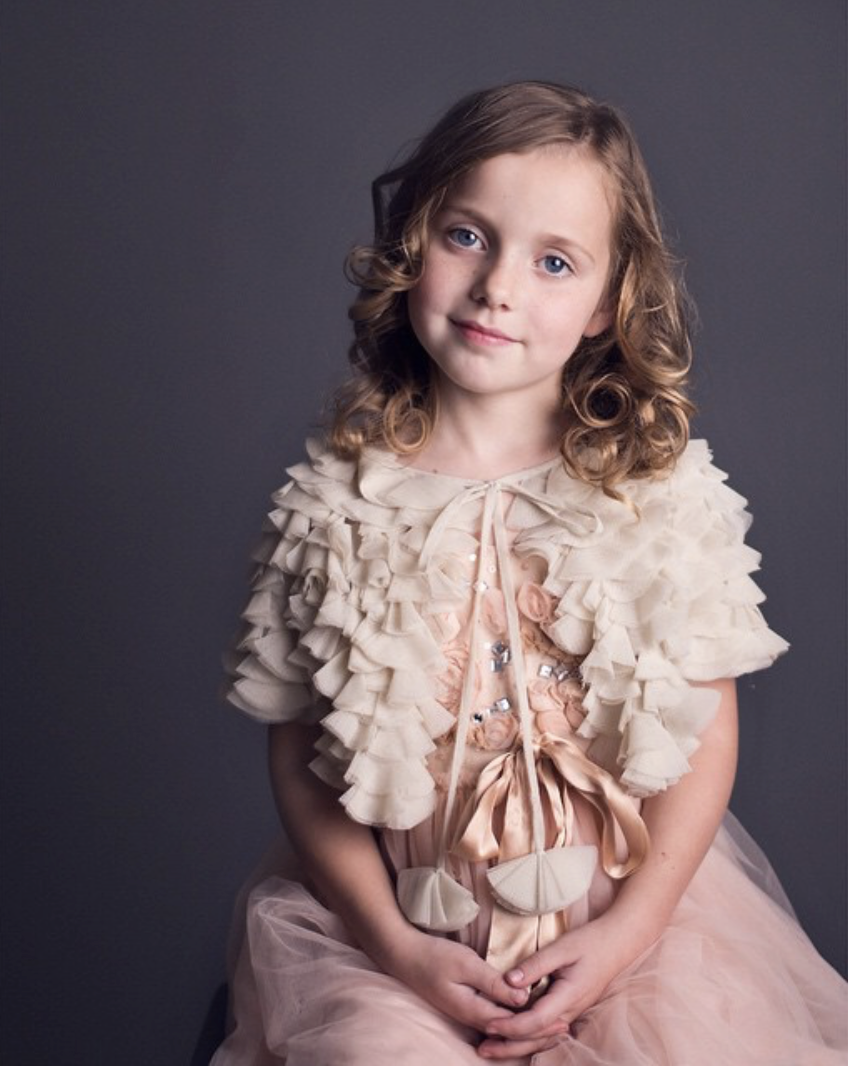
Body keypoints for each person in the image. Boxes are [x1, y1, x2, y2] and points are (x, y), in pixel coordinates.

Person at [211, 82, 847, 1065]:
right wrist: (396, 948)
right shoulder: (332, 506)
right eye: (467, 237)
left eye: (554, 261)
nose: (496, 287)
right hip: (398, 948)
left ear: (604, 303)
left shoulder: (655, 495)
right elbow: (300, 759)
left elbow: (706, 730)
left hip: (624, 943)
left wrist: (627, 933)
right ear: (413, 242)